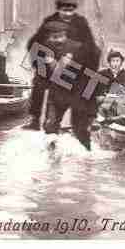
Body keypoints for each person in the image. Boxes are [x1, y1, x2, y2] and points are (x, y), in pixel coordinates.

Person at [23, 0, 99, 130]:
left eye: (71, 11)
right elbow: (33, 44)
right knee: (39, 83)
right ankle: (34, 118)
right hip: (51, 64)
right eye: (65, 10)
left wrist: (81, 62)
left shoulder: (81, 22)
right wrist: (41, 65)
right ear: (58, 10)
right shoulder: (49, 22)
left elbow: (90, 46)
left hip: (75, 63)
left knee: (90, 82)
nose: (68, 14)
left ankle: (91, 119)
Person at [42, 20, 99, 151]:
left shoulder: (77, 49)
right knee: (50, 127)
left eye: (61, 36)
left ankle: (87, 158)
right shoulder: (45, 49)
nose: (58, 40)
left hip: (78, 93)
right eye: (54, 37)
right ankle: (52, 161)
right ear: (49, 37)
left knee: (81, 131)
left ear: (66, 35)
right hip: (56, 94)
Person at [97, 50, 125, 118]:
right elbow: (88, 91)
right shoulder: (102, 74)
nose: (115, 64)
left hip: (120, 103)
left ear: (121, 62)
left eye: (117, 61)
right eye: (113, 61)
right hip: (103, 102)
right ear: (109, 62)